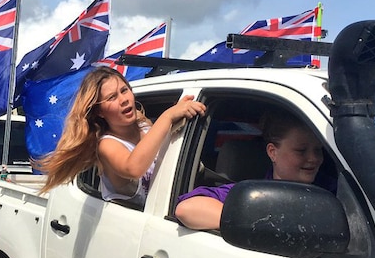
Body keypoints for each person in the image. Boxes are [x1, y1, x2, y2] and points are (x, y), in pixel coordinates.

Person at [37, 66, 206, 206]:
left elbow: (165, 153)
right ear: (99, 112)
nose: (123, 100)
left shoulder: (143, 124)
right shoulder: (106, 145)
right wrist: (167, 116)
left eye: (124, 90)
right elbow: (133, 168)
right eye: (112, 97)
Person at [175, 110, 333, 230]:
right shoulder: (254, 194)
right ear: (272, 152)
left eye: (318, 150)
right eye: (301, 150)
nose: (313, 158)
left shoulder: (338, 192)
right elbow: (186, 209)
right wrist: (262, 223)